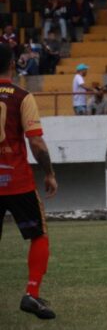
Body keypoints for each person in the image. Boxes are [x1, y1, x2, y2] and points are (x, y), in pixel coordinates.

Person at [0, 44, 58, 319]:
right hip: (17, 181)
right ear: (12, 64)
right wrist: (49, 172)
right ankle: (31, 293)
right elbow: (36, 142)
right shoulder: (22, 96)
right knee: (38, 235)